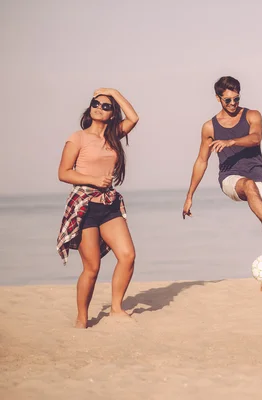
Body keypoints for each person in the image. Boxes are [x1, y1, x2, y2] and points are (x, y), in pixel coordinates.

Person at [183, 76, 262, 291]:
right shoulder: (210, 127)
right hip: (230, 178)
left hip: (259, 175)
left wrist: (231, 141)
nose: (233, 104)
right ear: (218, 99)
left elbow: (255, 138)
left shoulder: (252, 115)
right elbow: (201, 161)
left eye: (236, 99)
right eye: (228, 100)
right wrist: (190, 195)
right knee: (248, 186)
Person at [57, 88, 139, 328]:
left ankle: (116, 308)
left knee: (128, 255)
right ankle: (82, 318)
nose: (99, 108)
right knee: (92, 267)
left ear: (113, 113)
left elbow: (134, 118)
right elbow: (63, 173)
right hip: (85, 207)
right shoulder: (77, 138)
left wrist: (113, 92)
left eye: (106, 106)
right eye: (96, 103)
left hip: (109, 204)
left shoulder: (114, 135)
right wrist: (92, 180)